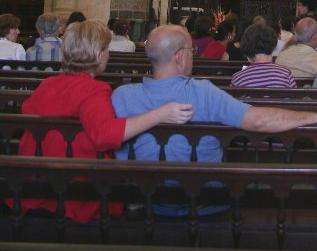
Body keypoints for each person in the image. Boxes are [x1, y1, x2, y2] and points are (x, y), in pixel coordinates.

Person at [18, 20, 194, 221]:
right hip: (78, 191)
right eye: (106, 48)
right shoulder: (94, 90)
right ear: (99, 55)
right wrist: (161, 114)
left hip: (37, 182)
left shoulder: (47, 85)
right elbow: (106, 135)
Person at [111, 24, 317, 158]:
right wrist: (312, 117)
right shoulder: (204, 92)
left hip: (144, 201)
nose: (193, 54)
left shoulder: (121, 96)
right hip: (204, 201)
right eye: (191, 50)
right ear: (179, 56)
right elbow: (258, 120)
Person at [229, 23, 297, 88]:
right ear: (273, 47)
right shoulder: (286, 74)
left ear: (247, 53)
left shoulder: (237, 79)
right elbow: (294, 98)